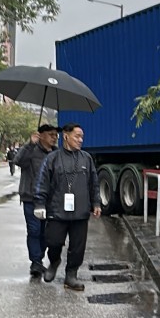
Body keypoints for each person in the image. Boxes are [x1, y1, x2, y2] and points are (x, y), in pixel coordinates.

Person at [34, 123, 101, 290]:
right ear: (66, 136)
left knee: (78, 246)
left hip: (80, 211)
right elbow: (42, 182)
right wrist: (40, 203)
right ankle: (54, 261)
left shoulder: (86, 158)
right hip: (57, 210)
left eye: (82, 137)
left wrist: (96, 202)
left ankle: (71, 275)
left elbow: (94, 182)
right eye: (77, 136)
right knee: (54, 241)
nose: (80, 140)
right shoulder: (53, 158)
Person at [14, 125, 59, 277]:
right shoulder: (31, 150)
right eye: (50, 134)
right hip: (30, 198)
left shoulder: (56, 153)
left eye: (55, 135)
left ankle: (38, 259)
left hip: (50, 200)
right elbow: (18, 161)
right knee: (34, 231)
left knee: (46, 233)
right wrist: (29, 144)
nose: (54, 137)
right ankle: (36, 262)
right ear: (41, 136)